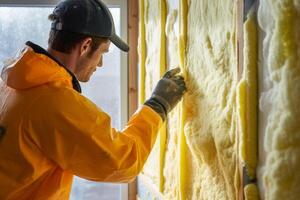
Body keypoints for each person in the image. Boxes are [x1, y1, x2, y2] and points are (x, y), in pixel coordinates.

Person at [0, 0, 186, 199]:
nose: (101, 63)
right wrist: (157, 105)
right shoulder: (55, 102)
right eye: (103, 52)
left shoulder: (13, 84)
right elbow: (123, 162)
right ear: (86, 46)